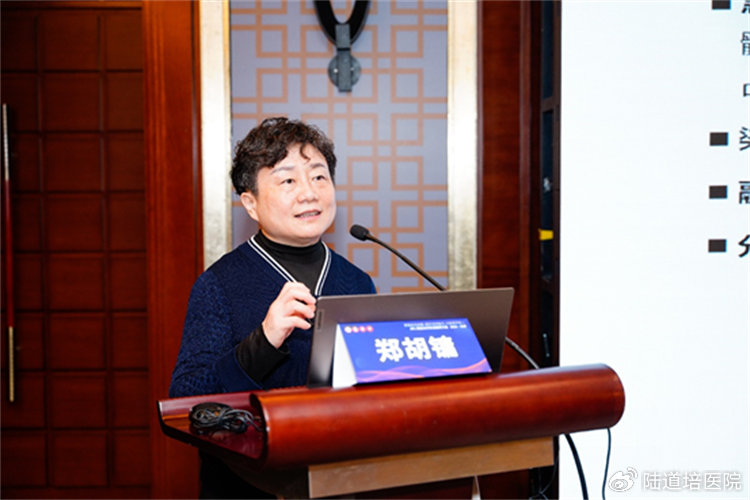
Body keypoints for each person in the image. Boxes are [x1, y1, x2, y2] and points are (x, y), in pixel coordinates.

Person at [169, 117, 376, 498]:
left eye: (319, 176)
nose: (309, 193)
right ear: (250, 203)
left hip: (343, 480)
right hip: (248, 486)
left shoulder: (357, 282)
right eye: (288, 181)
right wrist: (263, 341)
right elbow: (186, 403)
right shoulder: (219, 284)